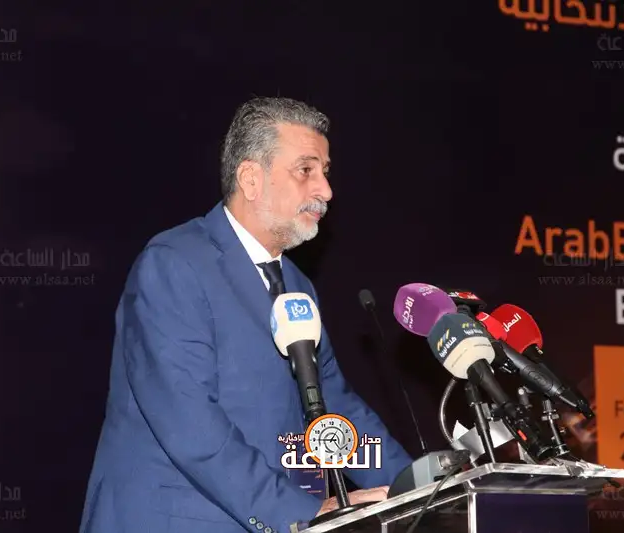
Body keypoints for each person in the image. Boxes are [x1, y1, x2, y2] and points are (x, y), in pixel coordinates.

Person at [79, 97, 412, 533]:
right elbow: (189, 422)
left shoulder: (296, 285)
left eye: (325, 172)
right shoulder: (175, 263)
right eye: (306, 170)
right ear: (251, 179)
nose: (326, 190)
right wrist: (299, 513)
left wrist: (415, 485)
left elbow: (335, 410)